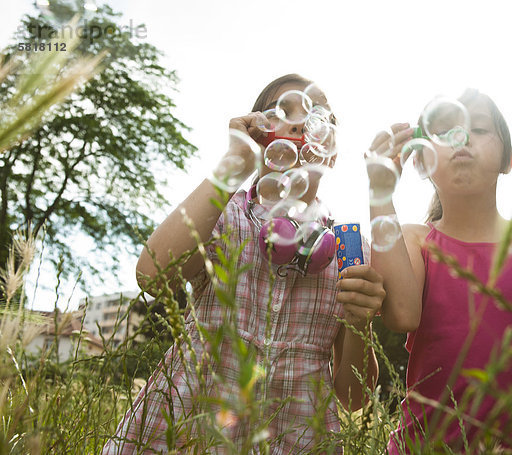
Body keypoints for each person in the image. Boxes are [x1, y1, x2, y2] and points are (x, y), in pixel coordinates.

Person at [102, 74, 385, 454]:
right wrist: (234, 163)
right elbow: (153, 275)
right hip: (186, 434)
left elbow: (354, 398)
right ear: (260, 134)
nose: (302, 122)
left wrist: (360, 323)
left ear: (331, 152)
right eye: (285, 111)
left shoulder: (349, 250)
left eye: (319, 117)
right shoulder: (220, 216)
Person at [368, 89, 512, 453]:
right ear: (422, 162)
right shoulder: (416, 240)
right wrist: (380, 193)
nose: (462, 139)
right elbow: (401, 314)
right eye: (445, 132)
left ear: (508, 159)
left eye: (478, 128)